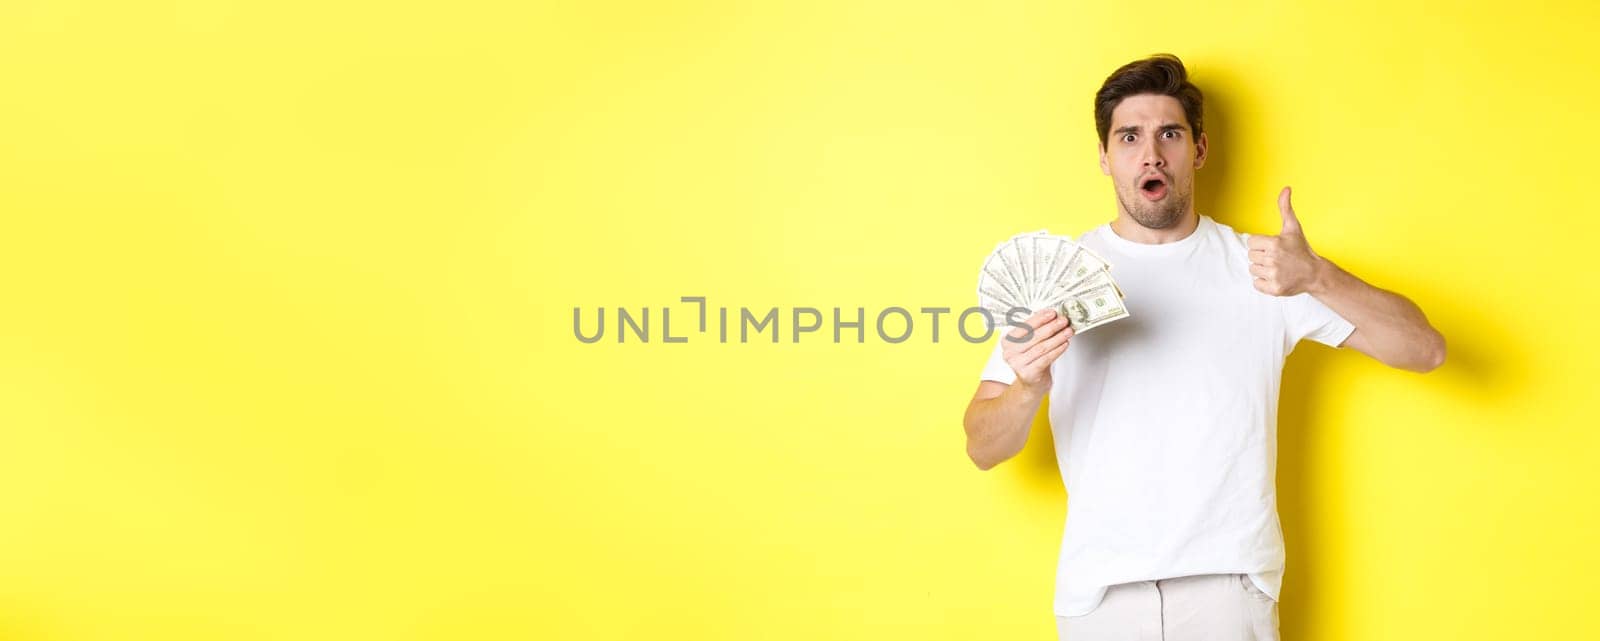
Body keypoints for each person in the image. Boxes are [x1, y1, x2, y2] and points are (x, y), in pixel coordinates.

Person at [961, 54, 1446, 641]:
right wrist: (1027, 386)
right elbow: (983, 446)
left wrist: (1319, 276)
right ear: (1104, 157)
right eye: (1129, 136)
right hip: (1100, 597)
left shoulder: (1266, 270)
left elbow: (1424, 350)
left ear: (1199, 150)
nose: (1151, 153)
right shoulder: (1057, 278)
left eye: (1170, 133)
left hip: (1229, 588)